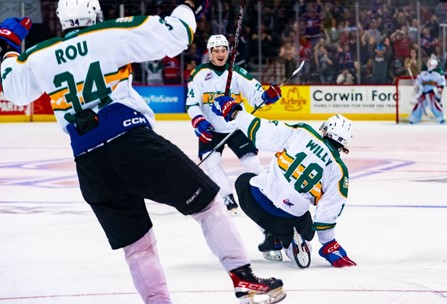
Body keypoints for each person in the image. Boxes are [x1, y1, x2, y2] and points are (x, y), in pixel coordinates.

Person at [0, 1, 286, 304]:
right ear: (96, 13)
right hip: (132, 143)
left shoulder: (40, 55)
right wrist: (188, 7)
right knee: (209, 206)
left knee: (137, 246)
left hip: (89, 163)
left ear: (60, 19)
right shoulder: (109, 34)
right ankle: (242, 278)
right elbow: (177, 34)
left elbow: (15, 89)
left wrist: (9, 49)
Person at [210, 95, 357, 269]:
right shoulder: (340, 171)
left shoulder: (303, 132)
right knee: (304, 220)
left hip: (260, 203)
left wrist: (234, 113)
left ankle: (272, 236)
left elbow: (262, 131)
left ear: (325, 129)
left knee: (244, 181)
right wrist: (329, 244)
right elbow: (326, 213)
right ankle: (291, 243)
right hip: (290, 217)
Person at [185, 34, 281, 215]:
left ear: (229, 52)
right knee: (211, 163)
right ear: (210, 53)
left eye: (224, 50)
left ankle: (271, 191)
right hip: (211, 129)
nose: (220, 54)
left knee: (251, 162)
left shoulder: (237, 73)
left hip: (236, 126)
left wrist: (268, 96)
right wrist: (199, 122)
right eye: (216, 51)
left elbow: (256, 96)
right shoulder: (198, 74)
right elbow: (192, 104)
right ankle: (228, 197)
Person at [409, 56, 446, 124]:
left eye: (430, 64)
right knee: (420, 104)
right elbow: (419, 80)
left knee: (432, 104)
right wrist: (418, 85)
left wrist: (439, 92)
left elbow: (441, 83)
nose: (428, 65)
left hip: (433, 91)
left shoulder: (439, 72)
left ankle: (441, 116)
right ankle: (414, 117)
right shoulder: (423, 70)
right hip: (423, 91)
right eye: (428, 64)